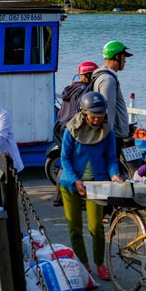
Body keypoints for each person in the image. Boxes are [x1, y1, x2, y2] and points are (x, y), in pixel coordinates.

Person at [59, 91, 121, 280]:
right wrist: (75, 180)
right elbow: (64, 158)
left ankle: (100, 264)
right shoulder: (72, 129)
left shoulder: (107, 131)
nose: (96, 120)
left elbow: (111, 158)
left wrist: (115, 175)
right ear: (85, 113)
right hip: (71, 183)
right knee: (74, 227)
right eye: (93, 116)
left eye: (100, 115)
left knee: (96, 227)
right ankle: (83, 262)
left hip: (97, 184)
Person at [92, 40, 133, 148]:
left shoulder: (102, 75)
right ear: (117, 57)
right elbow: (108, 110)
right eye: (124, 58)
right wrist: (107, 138)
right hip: (112, 136)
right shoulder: (108, 80)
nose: (125, 61)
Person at [57, 61, 98, 127]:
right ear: (88, 75)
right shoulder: (84, 90)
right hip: (74, 129)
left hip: (63, 126)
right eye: (95, 77)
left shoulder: (70, 89)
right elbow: (80, 110)